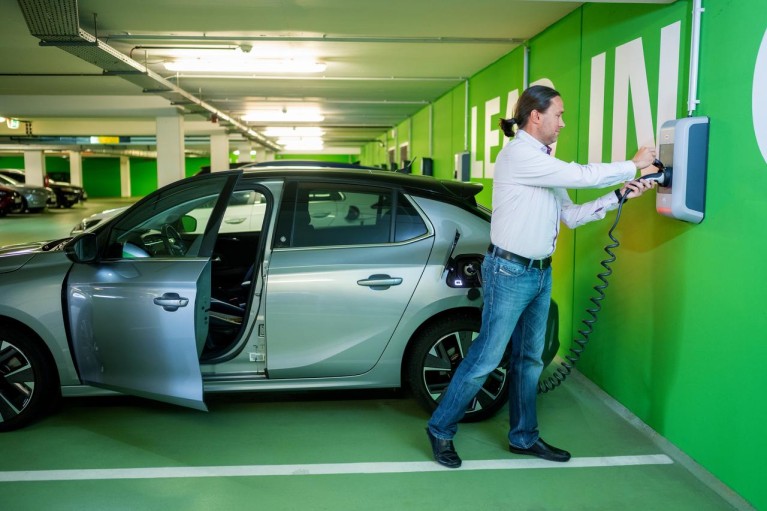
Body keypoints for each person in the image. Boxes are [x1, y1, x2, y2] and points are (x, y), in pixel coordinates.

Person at [425, 84, 658, 468]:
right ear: (536, 116)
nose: (562, 123)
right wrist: (633, 163)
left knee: (530, 360)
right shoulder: (520, 155)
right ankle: (440, 430)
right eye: (559, 114)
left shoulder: (545, 162)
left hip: (539, 273)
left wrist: (619, 195)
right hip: (509, 270)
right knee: (486, 357)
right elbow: (582, 175)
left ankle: (523, 437)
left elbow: (572, 216)